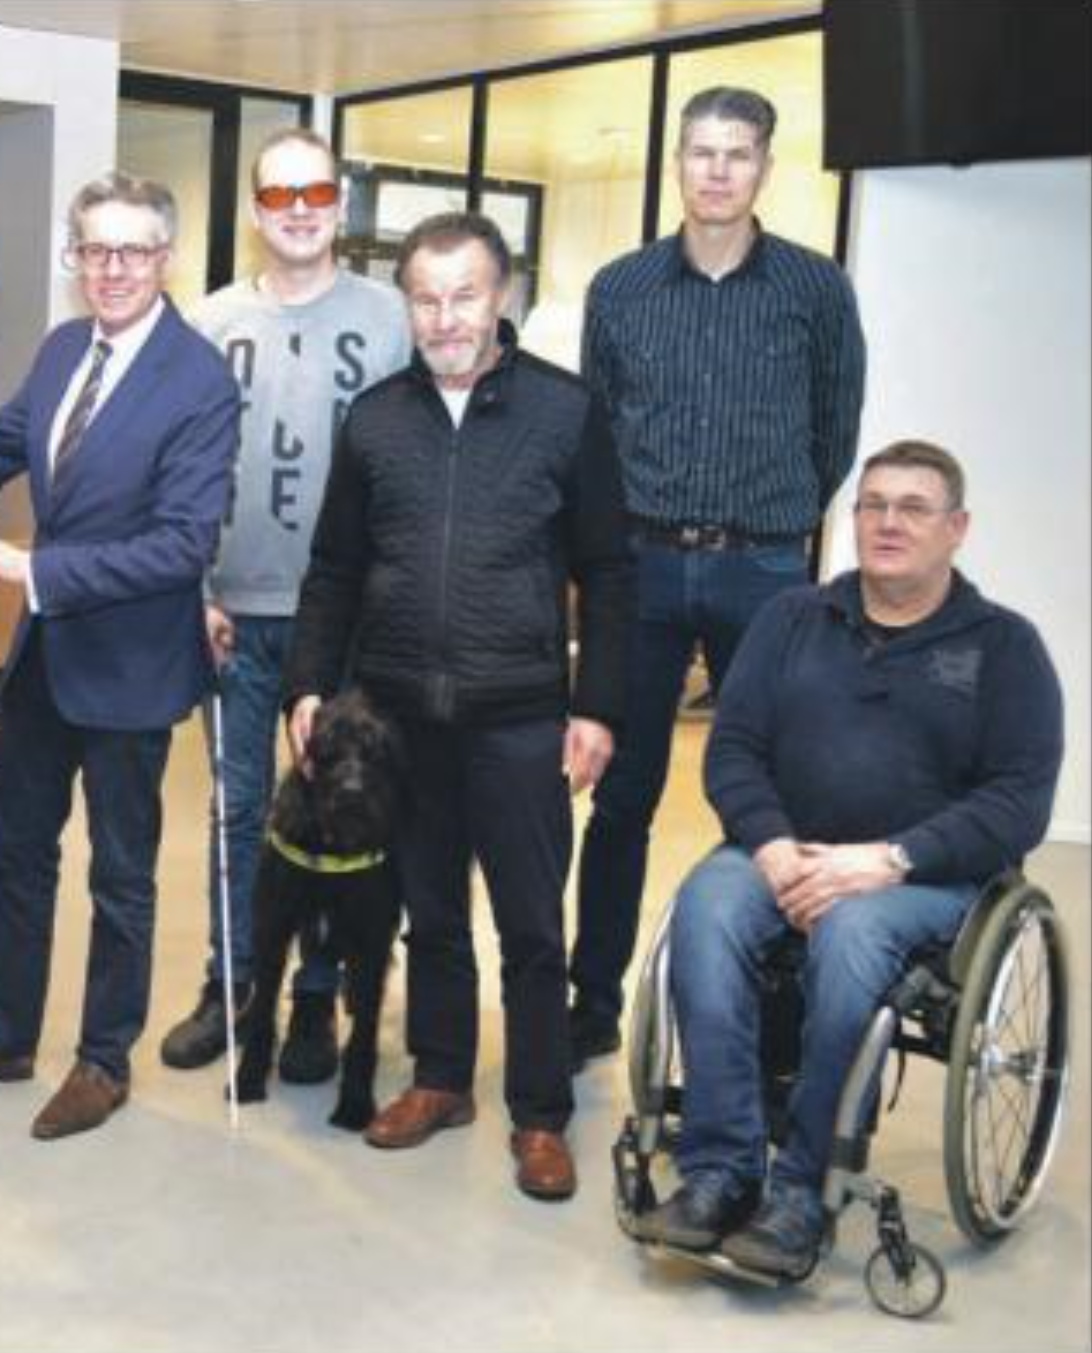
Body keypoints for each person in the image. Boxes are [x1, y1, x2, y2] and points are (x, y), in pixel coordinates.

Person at [632, 440, 1063, 1276]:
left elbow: (1018, 801)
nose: (887, 522)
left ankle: (803, 1186)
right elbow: (734, 749)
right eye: (873, 505)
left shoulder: (1004, 648)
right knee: (705, 907)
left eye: (913, 507)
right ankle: (719, 1168)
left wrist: (888, 859)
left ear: (956, 528)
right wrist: (770, 842)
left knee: (852, 934)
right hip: (784, 850)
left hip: (922, 878)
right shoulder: (790, 618)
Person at [283, 211, 634, 1199]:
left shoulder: (563, 411)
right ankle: (440, 1079)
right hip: (400, 718)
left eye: (464, 296)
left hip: (519, 714)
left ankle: (540, 1115)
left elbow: (609, 571)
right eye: (425, 299)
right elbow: (334, 567)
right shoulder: (375, 418)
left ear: (501, 296)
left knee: (530, 928)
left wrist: (598, 707)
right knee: (428, 912)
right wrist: (308, 685)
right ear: (407, 306)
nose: (444, 318)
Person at [0, 172, 238, 1140]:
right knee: (15, 853)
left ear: (164, 257)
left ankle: (102, 1062)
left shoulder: (199, 380)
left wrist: (32, 567)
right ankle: (3, 1035)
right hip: (43, 659)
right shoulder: (60, 351)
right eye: (94, 249)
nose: (111, 268)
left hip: (132, 668)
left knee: (119, 877)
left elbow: (179, 547)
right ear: (75, 256)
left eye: (132, 250)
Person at [568, 86, 867, 1071]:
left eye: (738, 154)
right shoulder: (620, 289)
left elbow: (833, 432)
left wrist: (774, 516)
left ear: (765, 168)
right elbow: (596, 429)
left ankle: (774, 1014)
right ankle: (590, 1002)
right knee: (622, 796)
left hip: (764, 569)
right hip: (643, 566)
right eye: (702, 152)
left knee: (777, 796)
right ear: (677, 164)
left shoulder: (814, 289)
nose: (718, 171)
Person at [158, 127, 412, 1081]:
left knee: (339, 810)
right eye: (278, 195)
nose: (298, 210)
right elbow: (174, 466)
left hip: (346, 626)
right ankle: (233, 985)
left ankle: (314, 996)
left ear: (337, 203)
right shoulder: (209, 320)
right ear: (256, 210)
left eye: (315, 192)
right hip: (233, 612)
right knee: (238, 812)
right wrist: (193, 588)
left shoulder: (391, 319)